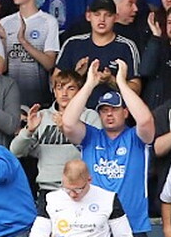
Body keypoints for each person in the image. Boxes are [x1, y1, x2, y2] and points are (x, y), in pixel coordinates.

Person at [61, 58, 157, 237]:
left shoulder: (136, 137)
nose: (109, 114)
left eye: (114, 109)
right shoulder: (91, 136)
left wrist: (121, 82)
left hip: (132, 228)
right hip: (96, 230)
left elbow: (146, 120)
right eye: (104, 110)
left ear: (125, 112)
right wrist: (89, 84)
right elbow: (68, 123)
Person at [10, 69, 102, 197]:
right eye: (59, 88)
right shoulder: (42, 116)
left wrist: (67, 128)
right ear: (54, 91)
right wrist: (28, 131)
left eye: (70, 88)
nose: (64, 93)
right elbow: (16, 152)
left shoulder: (90, 116)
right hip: (48, 188)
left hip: (79, 188)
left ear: (79, 92)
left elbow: (97, 152)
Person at [0, 0, 60, 107]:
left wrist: (24, 42)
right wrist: (2, 39)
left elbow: (49, 64)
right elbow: (2, 68)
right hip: (11, 99)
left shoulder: (49, 21)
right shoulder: (5, 22)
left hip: (40, 99)